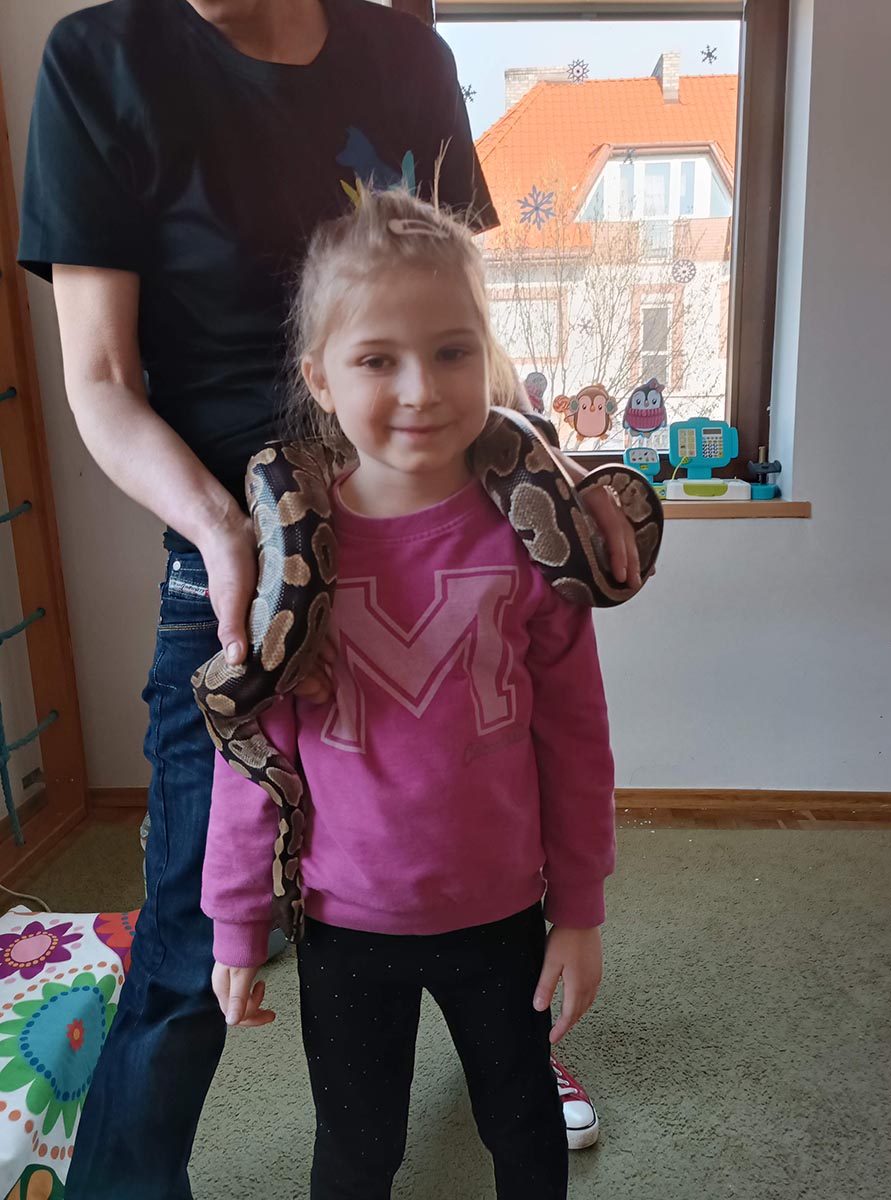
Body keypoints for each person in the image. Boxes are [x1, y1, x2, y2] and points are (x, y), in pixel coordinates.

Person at [18, 1, 640, 1194]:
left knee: (478, 803)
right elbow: (98, 376)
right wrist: (227, 537)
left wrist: (550, 472)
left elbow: (453, 308)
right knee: (194, 936)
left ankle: (514, 1035)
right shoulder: (103, 62)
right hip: (248, 563)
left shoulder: (405, 53)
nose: (416, 382)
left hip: (447, 521)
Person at [202, 186, 616, 1199]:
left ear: (490, 358)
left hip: (502, 911)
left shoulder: (529, 542)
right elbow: (252, 753)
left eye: (452, 350)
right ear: (321, 378)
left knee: (524, 1125)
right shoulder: (284, 567)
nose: (422, 389)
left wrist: (580, 908)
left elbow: (575, 737)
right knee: (356, 1149)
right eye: (379, 360)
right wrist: (236, 919)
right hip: (345, 920)